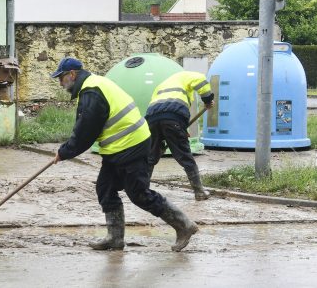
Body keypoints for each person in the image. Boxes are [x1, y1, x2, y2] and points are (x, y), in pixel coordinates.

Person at [51, 57, 198, 252]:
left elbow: (86, 131)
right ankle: (115, 238)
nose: (60, 83)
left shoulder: (92, 92)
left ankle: (184, 225)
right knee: (106, 188)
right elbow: (87, 128)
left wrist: (64, 152)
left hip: (132, 145)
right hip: (118, 147)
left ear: (72, 74)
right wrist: (67, 150)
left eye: (61, 78)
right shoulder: (94, 85)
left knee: (139, 194)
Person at [145, 71, 215, 201]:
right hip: (173, 117)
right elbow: (201, 81)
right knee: (185, 156)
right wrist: (208, 100)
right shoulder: (188, 76)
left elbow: (159, 108)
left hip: (152, 118)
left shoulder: (162, 85)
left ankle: (142, 191)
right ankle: (199, 192)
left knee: (150, 156)